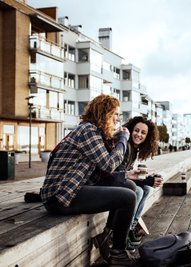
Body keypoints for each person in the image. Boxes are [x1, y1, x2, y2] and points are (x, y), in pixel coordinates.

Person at [40, 94, 137, 266]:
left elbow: (102, 171)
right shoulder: (88, 130)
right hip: (61, 195)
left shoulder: (93, 132)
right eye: (115, 114)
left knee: (128, 185)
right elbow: (109, 164)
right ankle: (118, 253)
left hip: (75, 188)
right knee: (128, 198)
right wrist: (123, 139)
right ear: (104, 113)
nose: (117, 119)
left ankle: (106, 235)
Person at [122, 116, 163, 249]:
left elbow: (128, 175)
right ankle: (125, 232)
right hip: (113, 180)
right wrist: (149, 180)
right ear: (130, 129)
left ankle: (132, 227)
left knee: (147, 189)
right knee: (138, 190)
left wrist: (148, 178)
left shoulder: (134, 149)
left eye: (143, 133)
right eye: (136, 130)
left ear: (147, 137)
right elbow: (121, 176)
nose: (138, 134)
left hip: (121, 179)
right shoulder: (125, 146)